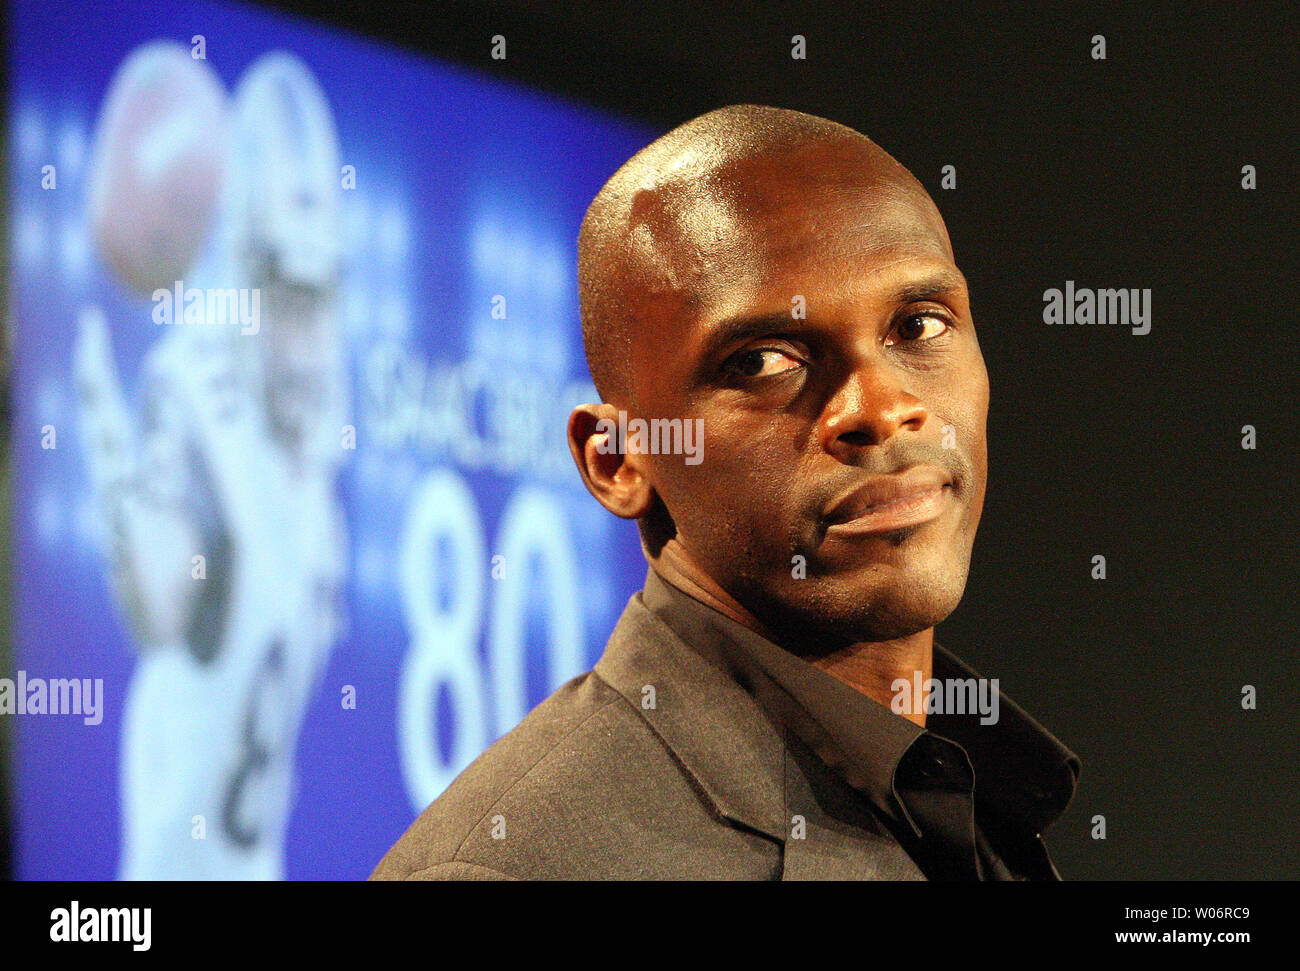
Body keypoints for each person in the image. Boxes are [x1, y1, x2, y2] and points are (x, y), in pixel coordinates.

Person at [372, 104, 1079, 880]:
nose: (880, 408)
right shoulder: (512, 868)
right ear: (619, 460)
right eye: (763, 361)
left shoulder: (976, 792)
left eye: (917, 326)